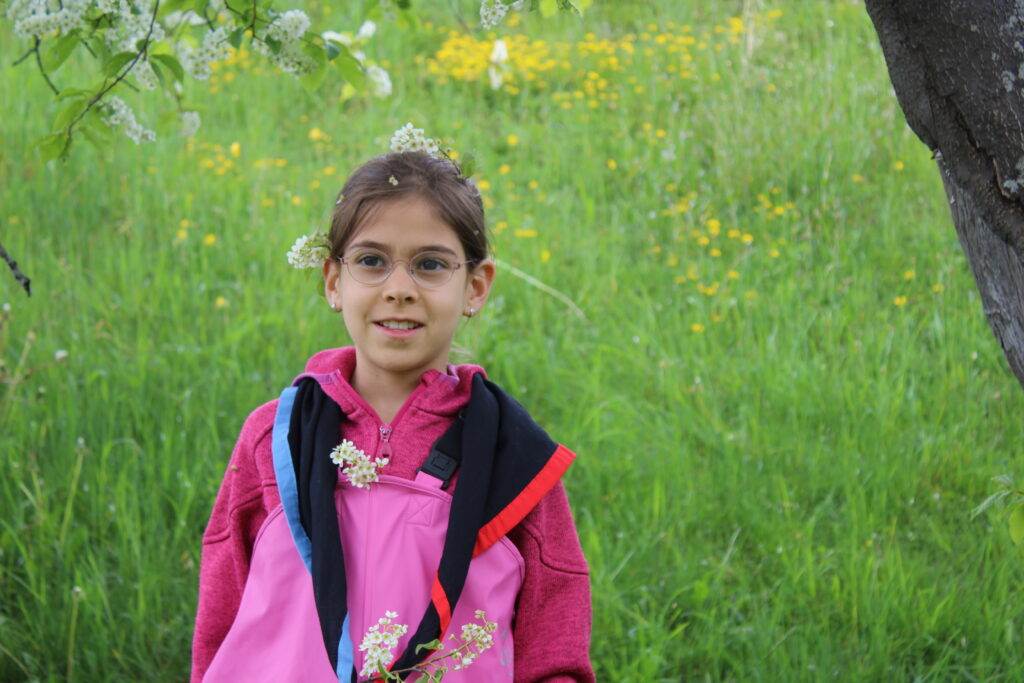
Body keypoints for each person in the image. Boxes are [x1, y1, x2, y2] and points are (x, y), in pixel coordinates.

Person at [191, 149, 594, 682]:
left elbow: (554, 649)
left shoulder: (513, 457)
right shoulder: (277, 437)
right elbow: (221, 628)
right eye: (371, 261)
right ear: (333, 280)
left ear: (475, 287)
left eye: (430, 264)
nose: (399, 289)